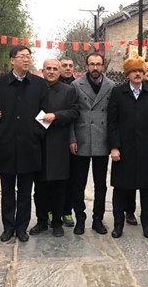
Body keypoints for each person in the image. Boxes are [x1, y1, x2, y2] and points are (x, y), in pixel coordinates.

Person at [0, 46, 48, 243]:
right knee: (7, 190)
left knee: (25, 191)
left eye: (28, 56)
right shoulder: (0, 83)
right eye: (22, 56)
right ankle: (8, 227)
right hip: (6, 144)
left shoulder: (39, 84)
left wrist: (37, 133)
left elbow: (45, 112)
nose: (26, 59)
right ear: (12, 60)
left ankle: (22, 227)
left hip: (30, 145)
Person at [107, 56, 148, 239]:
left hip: (147, 150)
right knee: (121, 189)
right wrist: (114, 147)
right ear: (127, 74)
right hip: (124, 150)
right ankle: (118, 225)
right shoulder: (118, 93)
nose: (138, 74)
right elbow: (112, 123)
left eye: (140, 70)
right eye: (134, 71)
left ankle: (146, 224)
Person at [29, 59, 79, 237]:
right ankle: (41, 221)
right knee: (40, 187)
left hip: (59, 143)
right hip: (38, 143)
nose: (51, 72)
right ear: (42, 71)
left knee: (59, 186)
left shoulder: (68, 90)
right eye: (48, 68)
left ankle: (57, 222)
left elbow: (74, 112)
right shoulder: (35, 88)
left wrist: (56, 116)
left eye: (54, 69)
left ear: (59, 71)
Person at [69, 52, 115, 235]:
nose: (95, 68)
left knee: (100, 184)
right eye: (92, 64)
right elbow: (72, 114)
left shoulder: (111, 85)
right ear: (86, 66)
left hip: (102, 139)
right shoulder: (76, 85)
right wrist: (72, 138)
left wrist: (113, 142)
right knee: (78, 183)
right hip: (81, 138)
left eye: (98, 64)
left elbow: (114, 116)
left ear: (103, 66)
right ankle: (80, 219)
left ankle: (98, 219)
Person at [59, 57, 77, 226]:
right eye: (64, 65)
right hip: (53, 136)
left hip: (73, 138)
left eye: (70, 65)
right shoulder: (49, 85)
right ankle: (51, 211)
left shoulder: (77, 86)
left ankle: (67, 211)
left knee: (71, 177)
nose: (67, 68)